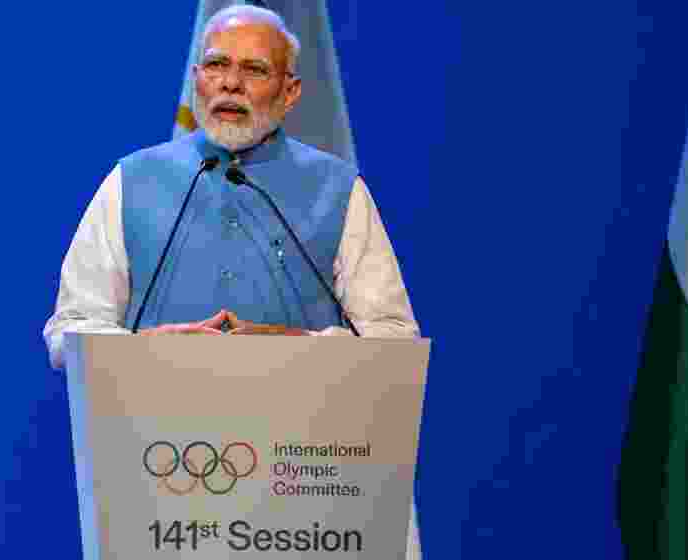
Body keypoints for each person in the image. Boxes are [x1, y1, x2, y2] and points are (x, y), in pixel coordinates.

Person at [43, 6, 422, 557]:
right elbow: (71, 329)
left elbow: (393, 342)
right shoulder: (130, 181)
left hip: (305, 494)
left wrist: (297, 350)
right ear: (197, 77)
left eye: (254, 69)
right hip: (163, 486)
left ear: (290, 93)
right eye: (216, 64)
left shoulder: (339, 190)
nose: (230, 82)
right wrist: (146, 351)